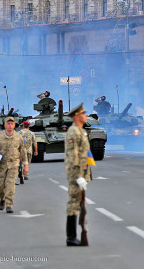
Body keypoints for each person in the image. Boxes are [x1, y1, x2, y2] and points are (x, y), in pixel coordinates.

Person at [64, 103, 92, 246]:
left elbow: (85, 154)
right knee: (74, 203)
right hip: (76, 174)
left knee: (78, 204)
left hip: (82, 173)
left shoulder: (81, 131)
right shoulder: (74, 132)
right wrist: (78, 176)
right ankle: (71, 236)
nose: (86, 115)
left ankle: (74, 235)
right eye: (83, 113)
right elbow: (72, 155)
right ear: (76, 116)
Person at [0, 117, 28, 213]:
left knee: (10, 184)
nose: (10, 125)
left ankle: (9, 205)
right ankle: (2, 198)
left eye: (12, 123)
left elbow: (23, 151)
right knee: (0, 186)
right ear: (5, 125)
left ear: (14, 125)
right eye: (8, 123)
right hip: (1, 164)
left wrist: (25, 165)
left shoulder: (18, 137)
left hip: (14, 164)